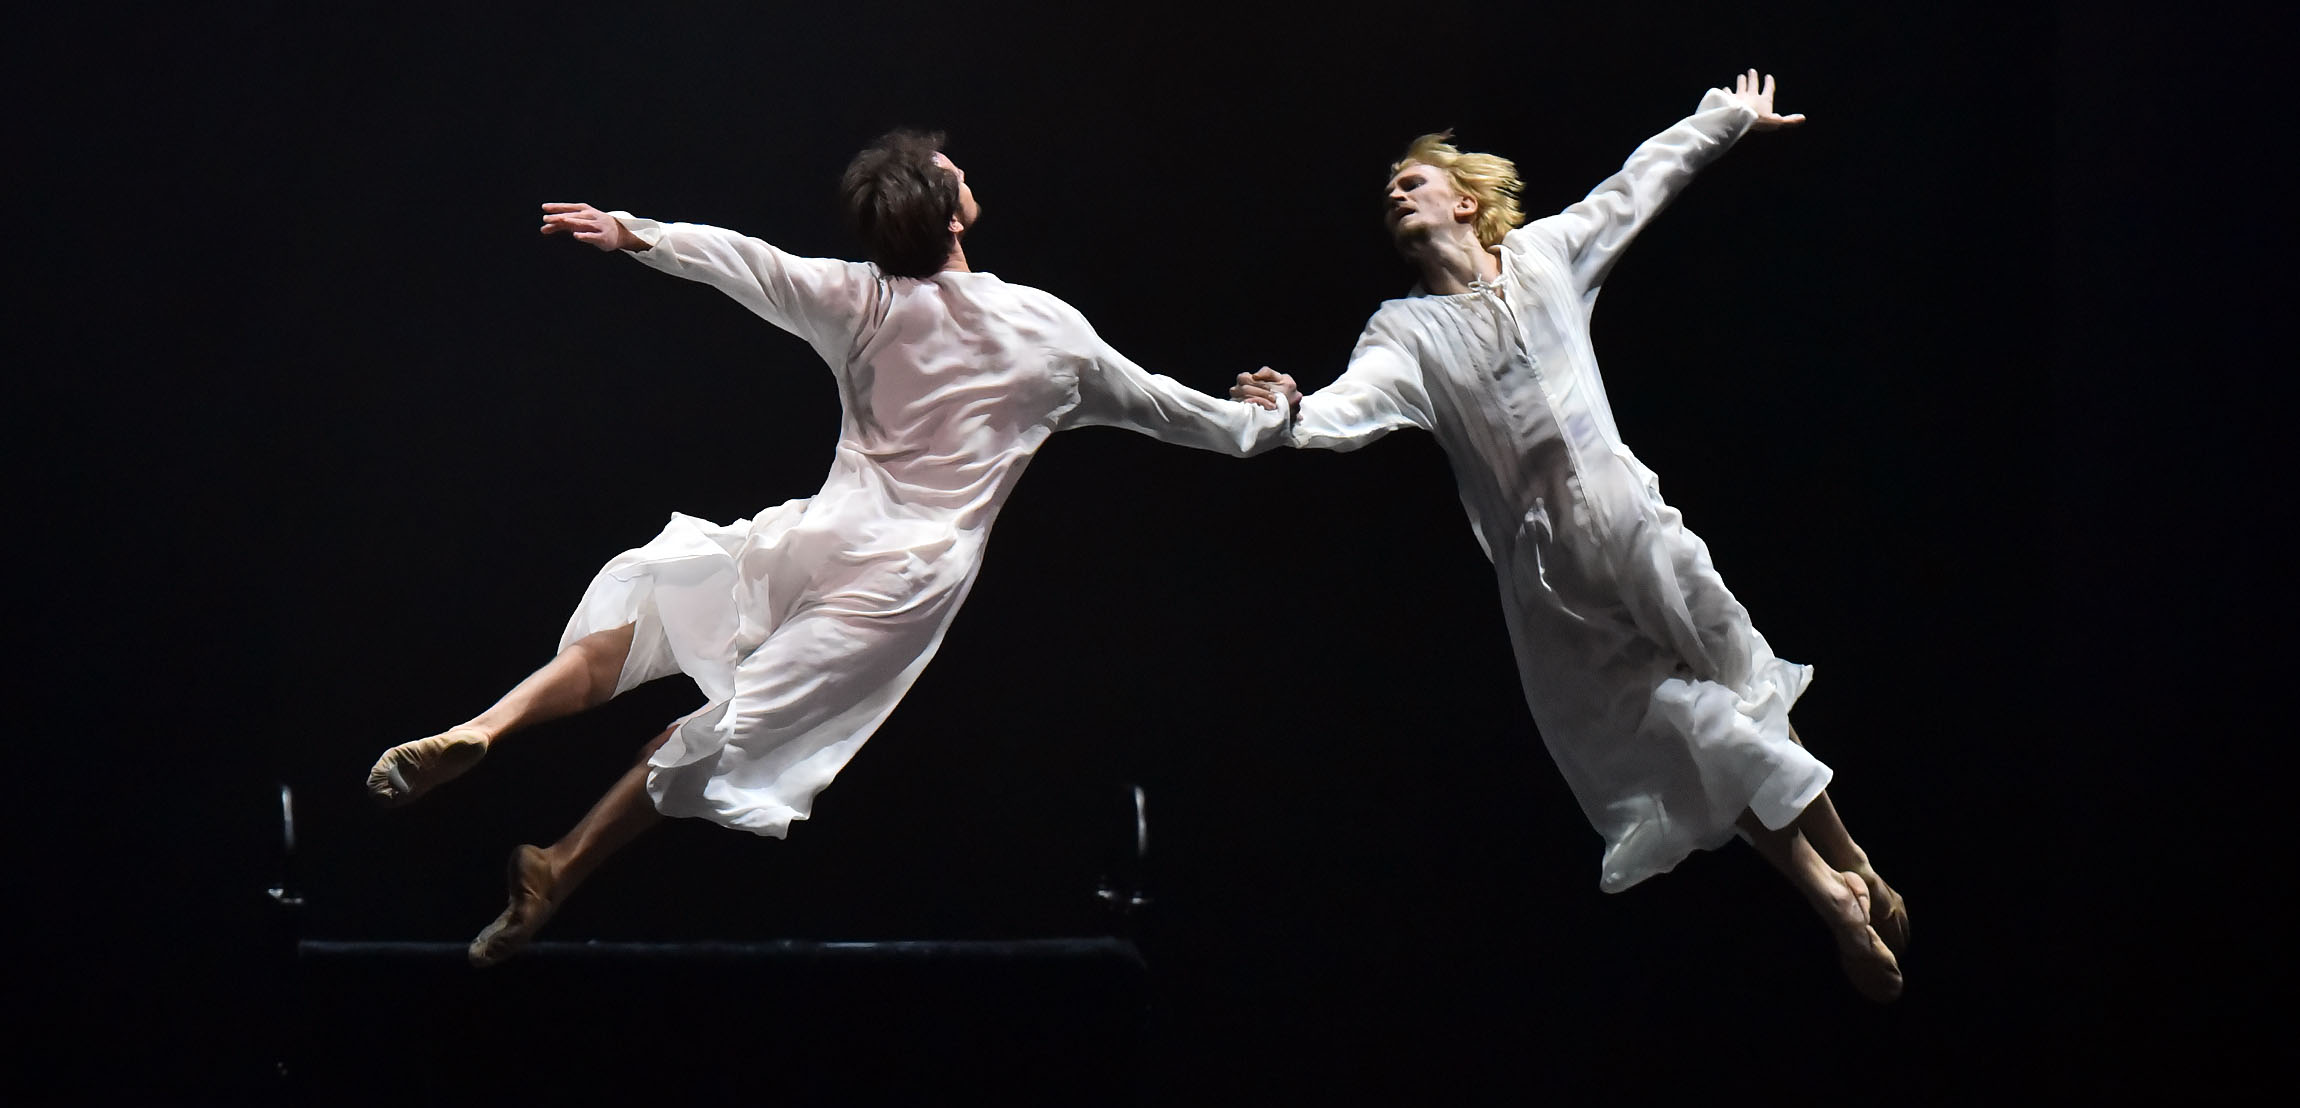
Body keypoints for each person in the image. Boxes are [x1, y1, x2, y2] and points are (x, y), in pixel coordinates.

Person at [368, 131, 1288, 966]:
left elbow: (749, 262)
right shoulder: (1050, 332)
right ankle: (560, 865)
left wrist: (634, 232)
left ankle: (487, 725)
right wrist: (1270, 412)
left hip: (823, 531)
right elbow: (1187, 415)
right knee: (720, 732)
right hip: (904, 576)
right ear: (948, 214)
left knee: (659, 613)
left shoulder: (865, 298)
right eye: (955, 170)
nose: (967, 170)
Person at [1232, 73, 1909, 1001]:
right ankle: (1830, 891)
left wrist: (1726, 118)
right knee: (1688, 728)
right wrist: (1292, 408)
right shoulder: (1404, 331)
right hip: (1552, 578)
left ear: (1465, 201)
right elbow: (1351, 405)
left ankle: (1845, 862)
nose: (1394, 191)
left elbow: (1638, 184)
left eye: (1412, 180)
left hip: (1631, 521)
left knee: (1739, 683)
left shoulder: (1545, 255)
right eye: (1389, 189)